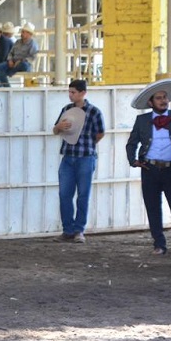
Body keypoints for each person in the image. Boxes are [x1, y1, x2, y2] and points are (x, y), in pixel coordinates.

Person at [125, 79, 171, 258]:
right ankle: (159, 244)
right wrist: (133, 161)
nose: (163, 100)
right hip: (150, 169)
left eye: (165, 97)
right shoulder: (142, 120)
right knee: (153, 208)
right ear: (151, 102)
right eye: (159, 98)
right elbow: (131, 143)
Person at [51, 79, 105, 243]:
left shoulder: (94, 112)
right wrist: (59, 127)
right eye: (69, 92)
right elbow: (55, 130)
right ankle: (69, 230)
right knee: (65, 194)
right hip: (69, 156)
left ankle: (78, 230)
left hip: (84, 158)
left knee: (82, 195)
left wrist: (87, 145)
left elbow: (100, 133)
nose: (70, 95)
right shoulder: (66, 110)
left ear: (82, 93)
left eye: (73, 92)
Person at [0, 21, 37, 87]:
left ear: (29, 34)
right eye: (22, 31)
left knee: (24, 65)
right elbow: (11, 53)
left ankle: (3, 87)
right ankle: (4, 88)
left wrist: (20, 61)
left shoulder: (32, 44)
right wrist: (10, 60)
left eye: (24, 32)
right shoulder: (18, 42)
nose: (22, 33)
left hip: (23, 64)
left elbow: (32, 58)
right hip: (12, 62)